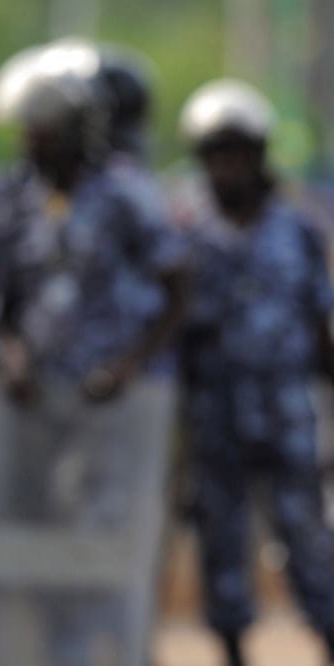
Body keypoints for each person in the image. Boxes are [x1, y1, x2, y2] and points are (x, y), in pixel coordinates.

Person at [0, 52, 184, 665]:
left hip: (112, 410)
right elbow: (1, 302)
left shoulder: (126, 194)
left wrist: (129, 365)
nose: (36, 147)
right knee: (35, 542)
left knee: (104, 544)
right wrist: (9, 356)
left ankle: (113, 652)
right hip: (32, 409)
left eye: (50, 136)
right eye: (30, 135)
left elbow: (177, 288)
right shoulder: (11, 198)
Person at [173, 78, 334, 666]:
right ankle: (233, 648)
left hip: (287, 412)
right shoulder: (187, 233)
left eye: (238, 154)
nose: (228, 167)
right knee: (223, 542)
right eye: (217, 155)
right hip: (216, 417)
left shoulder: (299, 228)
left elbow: (321, 321)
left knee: (307, 537)